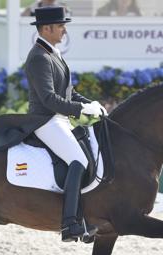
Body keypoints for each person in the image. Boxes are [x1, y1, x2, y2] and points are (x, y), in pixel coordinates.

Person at [25, 6, 105, 242]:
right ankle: (70, 223)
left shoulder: (53, 53)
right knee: (78, 160)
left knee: (90, 155)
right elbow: (49, 99)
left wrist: (92, 104)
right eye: (60, 26)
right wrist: (81, 110)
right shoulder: (39, 57)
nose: (64, 30)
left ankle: (85, 217)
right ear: (47, 28)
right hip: (45, 120)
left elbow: (68, 92)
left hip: (59, 118)